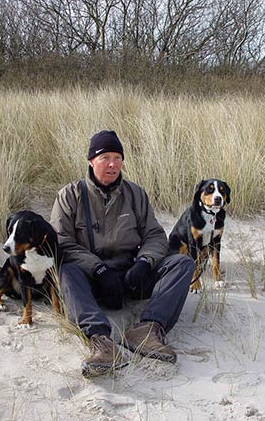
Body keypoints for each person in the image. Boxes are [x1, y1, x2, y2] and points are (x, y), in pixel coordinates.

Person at [50, 130, 194, 378]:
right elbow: (61, 242)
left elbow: (156, 236)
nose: (113, 164)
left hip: (130, 276)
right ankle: (101, 342)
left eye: (118, 157)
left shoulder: (136, 194)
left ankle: (148, 330)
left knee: (182, 263)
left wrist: (144, 263)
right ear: (91, 161)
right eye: (105, 157)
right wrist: (98, 269)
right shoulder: (69, 195)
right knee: (65, 270)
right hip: (93, 280)